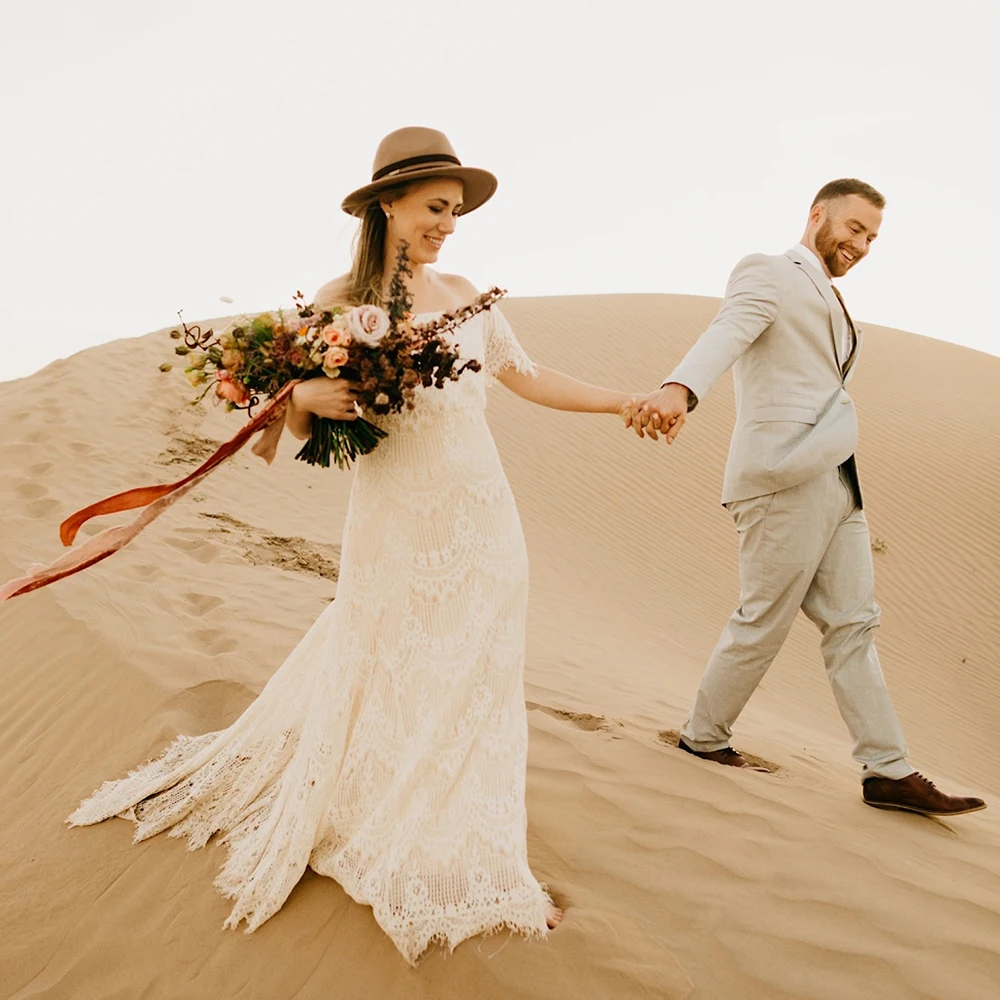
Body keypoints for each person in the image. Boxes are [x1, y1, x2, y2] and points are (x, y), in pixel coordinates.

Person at [66, 127, 641, 965]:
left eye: (455, 211)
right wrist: (304, 389)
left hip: (481, 512)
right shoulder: (340, 296)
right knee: (394, 659)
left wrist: (622, 401)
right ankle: (401, 834)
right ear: (387, 207)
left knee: (475, 671)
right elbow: (287, 415)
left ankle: (475, 848)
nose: (448, 225)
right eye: (434, 209)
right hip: (397, 510)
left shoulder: (467, 290)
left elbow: (527, 377)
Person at [630, 179, 986, 818]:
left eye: (872, 237)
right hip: (782, 477)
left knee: (855, 623)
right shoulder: (769, 272)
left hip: (839, 479)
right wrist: (680, 389)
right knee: (764, 614)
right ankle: (702, 738)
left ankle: (887, 770)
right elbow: (727, 333)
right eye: (853, 228)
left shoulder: (834, 301)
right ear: (817, 213)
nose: (861, 245)